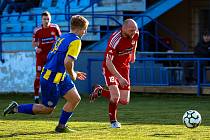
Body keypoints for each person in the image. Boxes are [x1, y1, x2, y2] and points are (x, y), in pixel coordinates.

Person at [3, 15, 89, 133]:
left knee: (74, 99)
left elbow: (55, 57)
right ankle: (16, 108)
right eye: (85, 29)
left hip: (59, 76)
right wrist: (73, 75)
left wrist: (71, 72)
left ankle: (61, 127)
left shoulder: (63, 37)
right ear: (80, 28)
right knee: (47, 109)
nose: (85, 32)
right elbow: (67, 62)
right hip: (51, 78)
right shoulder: (76, 41)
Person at [89, 19, 139, 128]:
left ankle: (100, 91)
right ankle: (113, 121)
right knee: (115, 96)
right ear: (124, 28)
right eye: (131, 31)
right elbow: (108, 62)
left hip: (124, 67)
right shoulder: (115, 39)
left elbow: (135, 42)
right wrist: (119, 78)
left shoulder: (135, 33)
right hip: (110, 68)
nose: (133, 33)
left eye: (135, 30)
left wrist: (133, 54)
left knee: (124, 100)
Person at [32, 11, 61, 103]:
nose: (46, 21)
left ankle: (54, 94)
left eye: (48, 19)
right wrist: (36, 47)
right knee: (38, 75)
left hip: (52, 56)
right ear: (41, 19)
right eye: (44, 19)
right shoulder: (37, 30)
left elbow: (60, 39)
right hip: (41, 57)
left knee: (55, 74)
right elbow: (33, 43)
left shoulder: (55, 27)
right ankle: (36, 96)